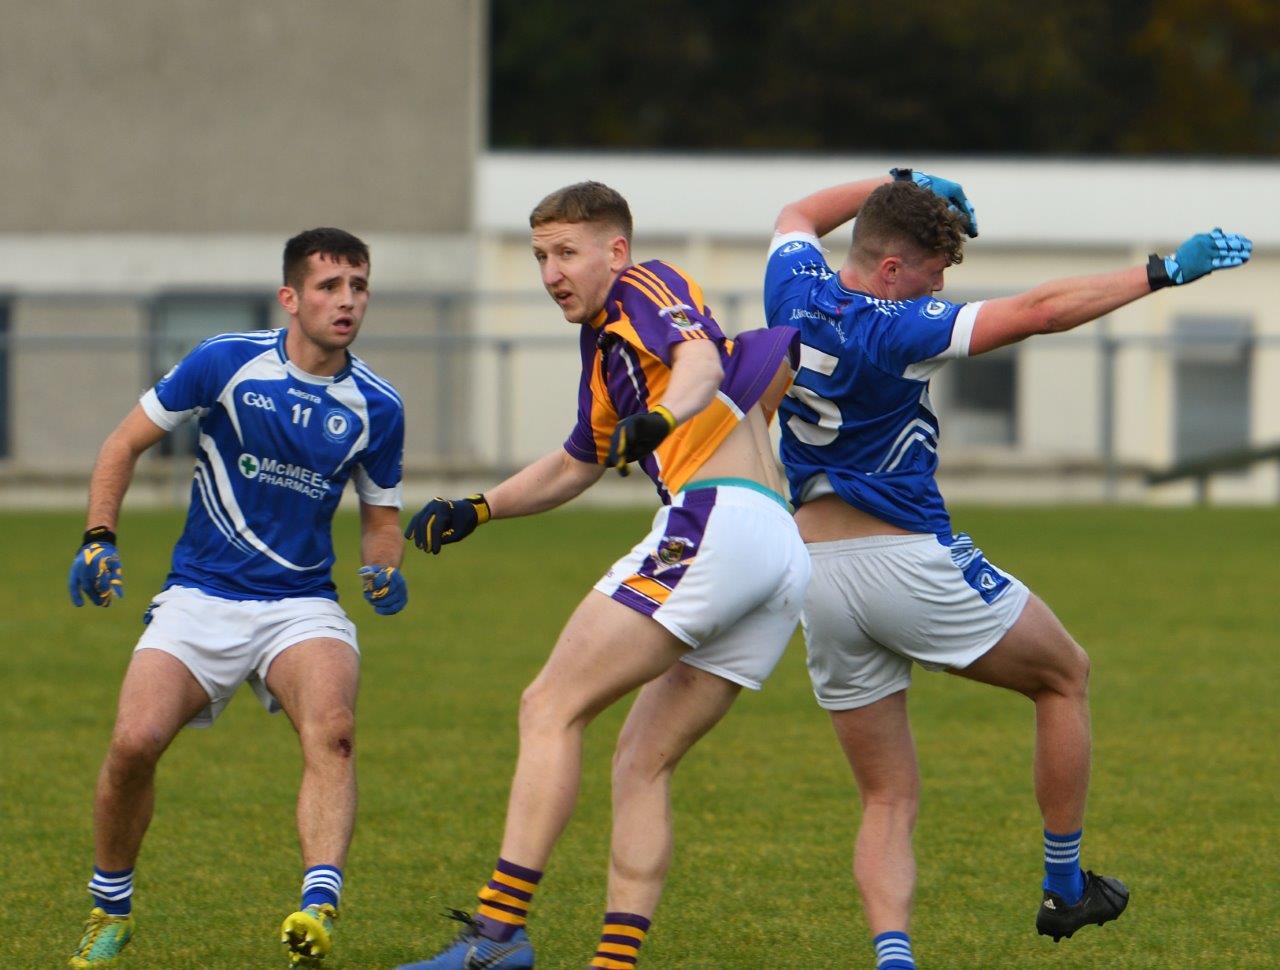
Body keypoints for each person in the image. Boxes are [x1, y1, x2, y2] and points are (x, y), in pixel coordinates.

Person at [762, 170, 1251, 969]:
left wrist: (898, 179)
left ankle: (894, 959)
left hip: (814, 571)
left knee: (887, 796)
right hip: (902, 556)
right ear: (891, 272)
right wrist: (1163, 270)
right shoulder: (894, 325)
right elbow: (1041, 312)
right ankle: (1065, 884)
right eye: (933, 271)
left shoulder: (794, 284)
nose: (942, 286)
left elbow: (796, 212)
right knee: (1064, 675)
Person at [394, 181, 807, 970]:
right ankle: (613, 964)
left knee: (549, 704)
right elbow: (576, 462)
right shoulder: (605, 352)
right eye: (541, 255)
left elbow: (699, 364)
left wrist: (665, 418)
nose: (552, 272)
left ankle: (495, 937)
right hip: (777, 554)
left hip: (718, 520)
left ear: (614, 250)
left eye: (566, 252)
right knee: (639, 760)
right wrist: (480, 508)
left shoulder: (646, 284)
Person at [65, 228, 408, 969]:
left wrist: (383, 566)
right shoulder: (226, 361)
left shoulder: (378, 405)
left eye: (358, 286)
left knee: (335, 730)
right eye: (329, 286)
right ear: (291, 297)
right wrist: (99, 536)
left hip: (301, 606)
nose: (346, 301)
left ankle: (317, 907)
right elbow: (121, 445)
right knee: (133, 745)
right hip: (200, 597)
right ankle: (111, 909)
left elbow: (381, 517)